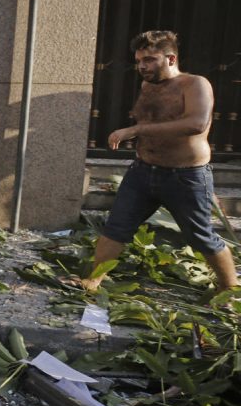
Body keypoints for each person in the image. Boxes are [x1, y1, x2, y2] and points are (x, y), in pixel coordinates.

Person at [81, 31, 238, 293]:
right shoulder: (147, 86)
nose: (143, 66)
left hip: (185, 176)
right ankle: (93, 281)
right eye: (139, 60)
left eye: (150, 60)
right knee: (116, 227)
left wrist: (134, 130)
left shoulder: (195, 84)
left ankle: (229, 289)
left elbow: (197, 123)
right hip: (142, 171)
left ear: (171, 58)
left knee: (201, 237)